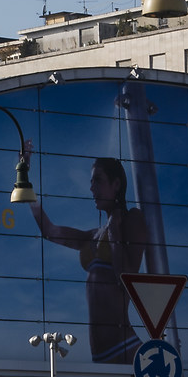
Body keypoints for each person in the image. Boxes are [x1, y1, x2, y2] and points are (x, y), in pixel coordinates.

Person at [27, 150, 155, 363]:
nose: (91, 188)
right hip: (100, 354)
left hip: (126, 348)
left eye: (98, 180)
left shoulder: (132, 219)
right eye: (91, 181)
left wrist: (114, 230)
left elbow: (127, 279)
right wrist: (26, 183)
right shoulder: (92, 236)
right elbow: (49, 231)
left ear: (116, 184)